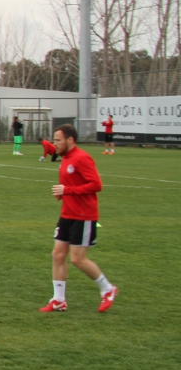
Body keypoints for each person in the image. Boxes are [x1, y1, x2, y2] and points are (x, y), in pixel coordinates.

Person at [41, 124, 118, 313]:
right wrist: (64, 193)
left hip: (83, 215)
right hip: (67, 213)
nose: (54, 143)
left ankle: (107, 289)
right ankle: (59, 300)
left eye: (58, 140)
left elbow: (96, 185)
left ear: (70, 140)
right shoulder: (65, 158)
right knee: (58, 255)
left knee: (77, 259)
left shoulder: (82, 157)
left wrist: (67, 190)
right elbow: (72, 183)